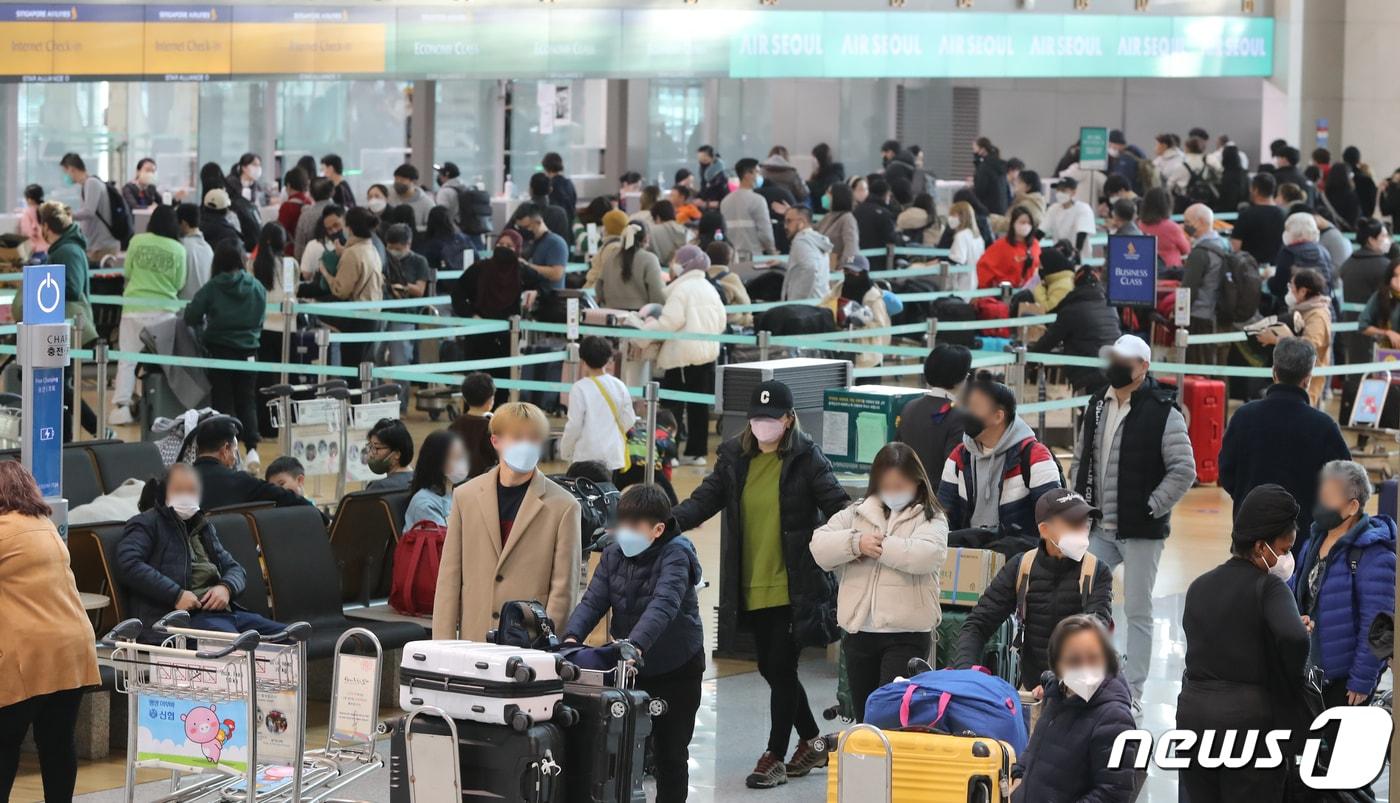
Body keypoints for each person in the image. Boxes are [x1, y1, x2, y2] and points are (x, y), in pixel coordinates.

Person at [672, 381, 849, 789]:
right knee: (771, 667)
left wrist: (857, 533)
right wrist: (663, 523)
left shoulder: (807, 458)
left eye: (771, 419)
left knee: (780, 666)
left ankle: (774, 755)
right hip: (751, 581)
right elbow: (704, 499)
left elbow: (837, 504)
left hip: (795, 583)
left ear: (788, 420)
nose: (762, 426)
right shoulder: (735, 457)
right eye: (756, 419)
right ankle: (811, 741)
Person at [1072, 334, 1196, 706]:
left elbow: (1183, 470)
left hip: (1142, 530)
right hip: (1099, 527)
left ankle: (1134, 689)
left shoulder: (1163, 412)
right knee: (1085, 601)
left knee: (1139, 609)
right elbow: (1082, 459)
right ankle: (1086, 677)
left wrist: (1151, 506)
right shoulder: (1097, 404)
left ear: (1143, 366)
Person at [564, 484, 704, 803]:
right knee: (623, 752)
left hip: (677, 667)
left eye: (634, 526)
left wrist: (635, 645)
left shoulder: (677, 552)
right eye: (622, 523)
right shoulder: (614, 552)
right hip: (630, 669)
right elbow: (593, 601)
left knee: (670, 753)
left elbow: (664, 603)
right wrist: (570, 640)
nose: (625, 532)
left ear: (658, 529)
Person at [1177, 484, 1309, 802]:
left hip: (1193, 716)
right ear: (1262, 547)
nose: (1287, 558)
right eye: (1285, 548)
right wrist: (1288, 677)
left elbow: (1216, 636)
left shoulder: (1199, 586)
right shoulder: (1270, 589)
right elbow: (1293, 637)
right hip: (1248, 724)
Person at [811, 442, 949, 719]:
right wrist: (855, 543)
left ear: (917, 482)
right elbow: (819, 546)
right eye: (887, 485)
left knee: (891, 717)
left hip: (906, 634)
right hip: (860, 631)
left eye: (900, 485)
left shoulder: (931, 517)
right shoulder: (857, 512)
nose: (893, 492)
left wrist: (879, 547)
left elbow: (927, 555)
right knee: (865, 718)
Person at [433, 402, 581, 639]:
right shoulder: (466, 496)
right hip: (474, 639)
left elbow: (563, 590)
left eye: (533, 438)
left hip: (528, 643)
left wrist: (545, 646)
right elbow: (449, 577)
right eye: (517, 437)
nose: (526, 445)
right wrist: (442, 643)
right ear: (496, 442)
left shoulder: (563, 506)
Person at [0, 462, 101, 803]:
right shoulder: (44, 526)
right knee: (57, 742)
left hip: (29, 656)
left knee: (4, 742)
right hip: (72, 649)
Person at [119, 462, 286, 636]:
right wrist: (175, 595)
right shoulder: (146, 523)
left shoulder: (203, 526)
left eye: (191, 490)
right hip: (177, 619)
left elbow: (235, 568)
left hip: (223, 612)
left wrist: (226, 588)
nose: (186, 496)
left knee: (288, 637)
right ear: (164, 494)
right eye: (178, 490)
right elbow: (128, 563)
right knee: (236, 646)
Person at [1220, 336, 1350, 551]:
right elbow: (1345, 483)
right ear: (1307, 379)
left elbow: (1226, 472)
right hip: (1302, 542)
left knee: (1249, 584)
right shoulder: (1323, 426)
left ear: (1274, 372)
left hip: (1249, 537)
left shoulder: (1243, 417)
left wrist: (1249, 498)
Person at [1292, 461, 1397, 709]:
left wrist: (1361, 680)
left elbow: (1377, 626)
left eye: (1330, 497)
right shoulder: (1313, 541)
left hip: (1345, 680)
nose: (1320, 503)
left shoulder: (1375, 556)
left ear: (1352, 506)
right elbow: (1301, 595)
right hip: (1310, 671)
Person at [1012, 614, 1137, 803]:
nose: (1085, 667)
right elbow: (1036, 747)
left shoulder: (1115, 719)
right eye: (1074, 660)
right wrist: (1019, 773)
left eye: (1093, 657)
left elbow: (1114, 793)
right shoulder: (1059, 695)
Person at [938, 379, 1062, 544]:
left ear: (998, 416)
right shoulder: (959, 456)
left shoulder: (1034, 456)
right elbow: (943, 514)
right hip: (969, 556)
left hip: (1018, 559)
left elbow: (1053, 519)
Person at [645, 244, 726, 465]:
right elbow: (721, 321)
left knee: (673, 405)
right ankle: (696, 452)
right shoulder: (709, 287)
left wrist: (644, 330)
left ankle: (670, 453)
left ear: (685, 265)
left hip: (681, 356)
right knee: (698, 405)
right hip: (707, 354)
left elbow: (669, 322)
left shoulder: (681, 290)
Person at [186, 240, 265, 461]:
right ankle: (252, 450)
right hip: (250, 351)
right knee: (247, 400)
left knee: (223, 402)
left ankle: (227, 449)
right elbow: (260, 319)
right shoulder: (256, 286)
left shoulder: (213, 287)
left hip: (220, 350)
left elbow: (191, 315)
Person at [111, 205, 187, 424]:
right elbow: (179, 283)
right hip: (164, 312)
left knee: (127, 359)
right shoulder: (178, 249)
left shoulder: (137, 241)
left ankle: (122, 408)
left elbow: (127, 272)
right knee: (165, 363)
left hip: (134, 308)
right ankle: (165, 407)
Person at [1030, 265, 1122, 393]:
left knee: (1092, 407)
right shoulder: (1110, 306)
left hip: (1089, 373)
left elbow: (1050, 340)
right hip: (1115, 368)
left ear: (1076, 285)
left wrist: (1029, 358)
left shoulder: (1072, 309)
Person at [561, 336, 636, 471]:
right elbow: (629, 419)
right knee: (608, 490)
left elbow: (574, 425)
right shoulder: (619, 385)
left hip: (585, 455)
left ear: (583, 361)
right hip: (613, 455)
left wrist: (566, 449)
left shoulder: (579, 388)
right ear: (608, 359)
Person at [896, 344, 975, 475]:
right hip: (939, 493)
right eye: (966, 374)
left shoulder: (909, 406)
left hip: (907, 489)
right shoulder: (960, 416)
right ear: (958, 377)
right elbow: (954, 468)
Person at [1260, 271, 1334, 404]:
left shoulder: (1317, 315)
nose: (1289, 291)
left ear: (1303, 291)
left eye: (1292, 288)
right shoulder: (1302, 310)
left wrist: (1276, 339)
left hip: (1308, 382)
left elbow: (1310, 345)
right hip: (1294, 377)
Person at [1339, 218, 1393, 372]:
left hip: (1349, 323)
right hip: (1375, 328)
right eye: (1383, 236)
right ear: (1371, 240)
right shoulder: (1384, 266)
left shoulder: (1349, 262)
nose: (1387, 239)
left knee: (1356, 367)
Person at [1177, 203, 1229, 361]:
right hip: (1217, 313)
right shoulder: (1223, 245)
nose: (1184, 226)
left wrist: (1177, 315)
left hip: (1198, 315)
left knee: (1197, 366)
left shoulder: (1200, 253)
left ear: (1200, 222)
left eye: (1187, 221)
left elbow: (1188, 290)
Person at [822, 255, 891, 369]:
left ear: (863, 273)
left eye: (854, 272)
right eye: (846, 270)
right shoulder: (840, 287)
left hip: (868, 359)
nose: (849, 274)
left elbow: (881, 327)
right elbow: (825, 303)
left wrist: (863, 321)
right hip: (841, 352)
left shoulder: (873, 297)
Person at [58, 152, 120, 261]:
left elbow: (88, 212)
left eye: (65, 172)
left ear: (72, 169)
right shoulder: (87, 185)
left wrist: (67, 215)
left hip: (103, 246)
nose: (65, 176)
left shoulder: (92, 183)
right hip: (96, 245)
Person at [404, 430, 467, 529]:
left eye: (463, 456)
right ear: (438, 462)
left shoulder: (456, 494)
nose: (463, 462)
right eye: (457, 457)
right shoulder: (425, 504)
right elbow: (445, 542)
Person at [596, 222, 666, 310]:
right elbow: (657, 294)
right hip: (640, 315)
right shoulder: (649, 259)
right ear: (646, 238)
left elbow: (599, 288)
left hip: (610, 313)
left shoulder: (611, 257)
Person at [1272, 212, 1335, 305]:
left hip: (1294, 310)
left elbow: (1278, 287)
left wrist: (1268, 281)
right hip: (1325, 307)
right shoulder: (1324, 251)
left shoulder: (1288, 253)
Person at [718, 158, 775, 261]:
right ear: (747, 174)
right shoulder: (758, 200)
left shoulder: (725, 201)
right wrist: (772, 251)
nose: (760, 176)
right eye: (757, 172)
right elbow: (765, 233)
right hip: (754, 257)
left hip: (732, 258)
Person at [1229, 173, 1287, 265]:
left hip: (1249, 269)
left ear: (1255, 190)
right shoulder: (1284, 215)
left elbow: (1235, 247)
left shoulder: (1246, 215)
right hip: (1275, 269)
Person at [977, 207, 1040, 289]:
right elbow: (984, 266)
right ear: (1013, 223)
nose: (1026, 226)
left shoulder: (1035, 244)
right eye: (1022, 222)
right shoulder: (1001, 245)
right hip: (1005, 292)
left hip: (1030, 290)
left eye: (1029, 223)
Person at [450, 372, 498, 478]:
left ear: (465, 398)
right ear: (491, 399)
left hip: (457, 479)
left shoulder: (455, 424)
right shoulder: (490, 427)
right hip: (483, 480)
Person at [782, 207, 833, 301]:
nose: (785, 226)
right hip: (821, 301)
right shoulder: (815, 240)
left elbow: (811, 268)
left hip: (806, 308)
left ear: (802, 222)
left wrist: (798, 301)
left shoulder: (801, 241)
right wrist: (781, 264)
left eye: (789, 221)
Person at [516, 203, 569, 290]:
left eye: (527, 227)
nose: (524, 231)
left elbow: (556, 273)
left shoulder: (555, 243)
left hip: (549, 298)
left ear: (538, 221)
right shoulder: (530, 243)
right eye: (520, 227)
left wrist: (526, 266)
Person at [853, 175, 900, 270]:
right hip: (877, 262)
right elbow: (891, 238)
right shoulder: (884, 214)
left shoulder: (857, 210)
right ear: (885, 194)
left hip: (858, 261)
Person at [1139, 188, 1191, 272]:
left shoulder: (1139, 224)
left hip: (1145, 270)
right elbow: (1186, 250)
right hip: (1171, 271)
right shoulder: (1172, 227)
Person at [1041, 177, 1096, 255]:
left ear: (1073, 192)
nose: (1059, 193)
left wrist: (1076, 252)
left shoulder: (1083, 208)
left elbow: (1082, 233)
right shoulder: (1053, 208)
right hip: (1059, 253)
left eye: (1063, 190)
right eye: (1058, 190)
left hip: (1080, 254)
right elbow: (1042, 230)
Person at [705, 241, 753, 326]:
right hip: (729, 321)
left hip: (708, 319)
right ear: (728, 258)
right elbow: (746, 305)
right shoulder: (732, 278)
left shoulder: (702, 276)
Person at [172, 202, 213, 301]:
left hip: (181, 309)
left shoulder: (180, 247)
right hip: (202, 309)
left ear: (184, 223)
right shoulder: (208, 249)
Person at [815, 182, 859, 270]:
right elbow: (813, 230)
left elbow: (852, 248)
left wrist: (846, 267)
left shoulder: (848, 219)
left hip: (836, 271)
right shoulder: (828, 216)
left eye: (828, 193)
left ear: (838, 196)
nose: (825, 196)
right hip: (823, 267)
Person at [364, 418, 416, 491]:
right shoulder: (420, 482)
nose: (371, 454)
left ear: (397, 454)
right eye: (370, 447)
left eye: (377, 448)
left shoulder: (378, 488)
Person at [293, 177, 335, 260]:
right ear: (332, 191)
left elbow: (298, 251)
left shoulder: (305, 216)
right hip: (339, 265)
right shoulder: (344, 212)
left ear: (311, 193)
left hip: (311, 265)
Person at [524, 172, 571, 242]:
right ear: (550, 190)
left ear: (530, 190)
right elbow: (564, 242)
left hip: (527, 252)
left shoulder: (524, 209)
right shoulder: (560, 213)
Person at [390, 164, 434, 230]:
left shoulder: (427, 203)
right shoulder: (389, 195)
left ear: (413, 181)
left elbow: (431, 227)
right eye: (396, 179)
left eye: (402, 180)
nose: (398, 182)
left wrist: (412, 228)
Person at [972, 137, 1009, 214]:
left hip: (988, 209)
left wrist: (972, 185)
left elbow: (980, 190)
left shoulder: (985, 167)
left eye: (975, 148)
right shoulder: (998, 164)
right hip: (1001, 208)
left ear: (982, 149)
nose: (974, 152)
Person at [646, 201, 688, 267]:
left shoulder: (650, 231)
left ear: (657, 217)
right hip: (679, 271)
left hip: (657, 270)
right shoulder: (685, 230)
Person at [807, 143, 846, 212]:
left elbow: (823, 194)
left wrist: (808, 184)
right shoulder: (819, 175)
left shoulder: (833, 176)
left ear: (820, 159)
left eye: (814, 158)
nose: (812, 162)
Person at [542, 151, 578, 225]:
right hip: (570, 224)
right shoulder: (569, 183)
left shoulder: (551, 186)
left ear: (546, 168)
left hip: (558, 226)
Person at [1323, 161, 1361, 230]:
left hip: (1328, 232)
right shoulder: (1351, 196)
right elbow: (1354, 219)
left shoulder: (1324, 195)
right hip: (1347, 234)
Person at [1215, 145, 1252, 213]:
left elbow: (1227, 199)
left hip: (1227, 212)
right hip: (1243, 210)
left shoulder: (1227, 176)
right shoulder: (1244, 174)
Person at [1343, 146, 1378, 217]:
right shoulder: (1367, 180)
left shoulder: (1339, 178)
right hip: (1364, 220)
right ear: (1359, 160)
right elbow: (1373, 202)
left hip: (1343, 220)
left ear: (1344, 159)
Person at [18, 184, 47, 261]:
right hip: (49, 249)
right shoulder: (47, 209)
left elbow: (28, 232)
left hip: (37, 253)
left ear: (29, 199)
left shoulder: (27, 213)